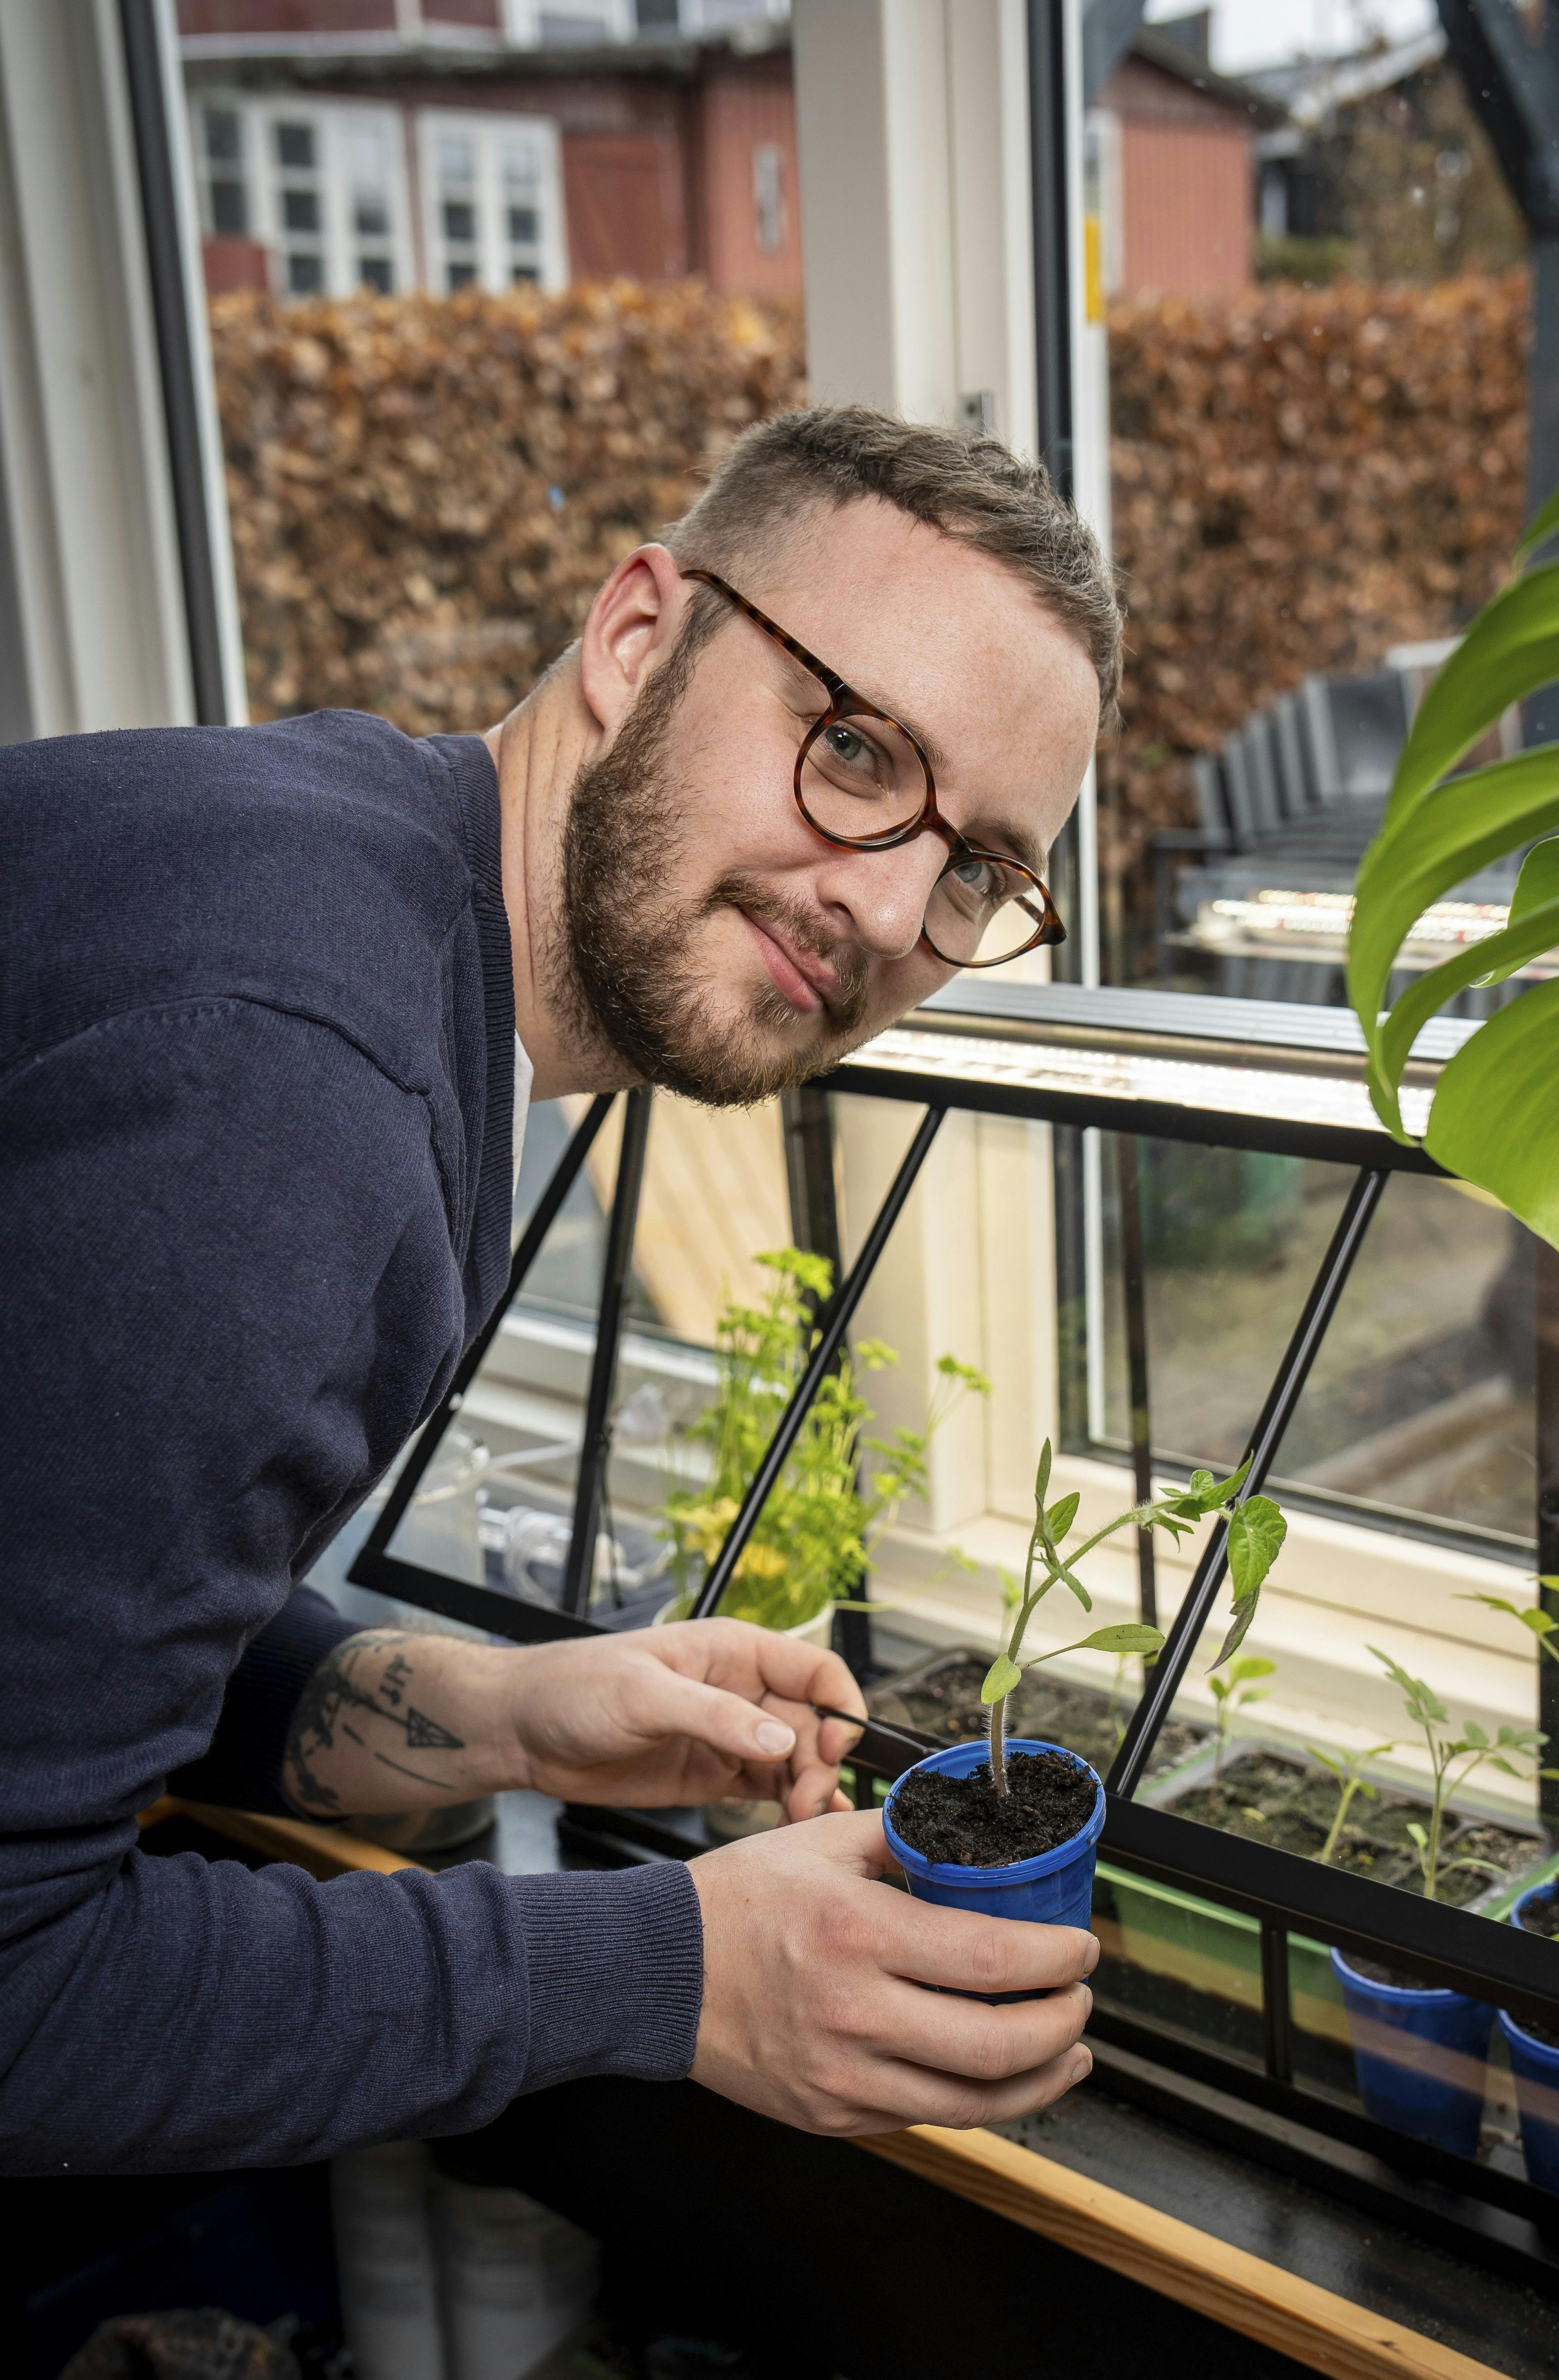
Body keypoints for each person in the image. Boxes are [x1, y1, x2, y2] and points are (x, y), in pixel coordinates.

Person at [0, 405, 1119, 2172]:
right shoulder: (295, 1091)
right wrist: (680, 1972)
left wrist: (501, 1716)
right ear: (634, 638)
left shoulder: (360, 888)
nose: (896, 909)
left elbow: (43, 1639)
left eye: (976, 867)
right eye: (852, 750)